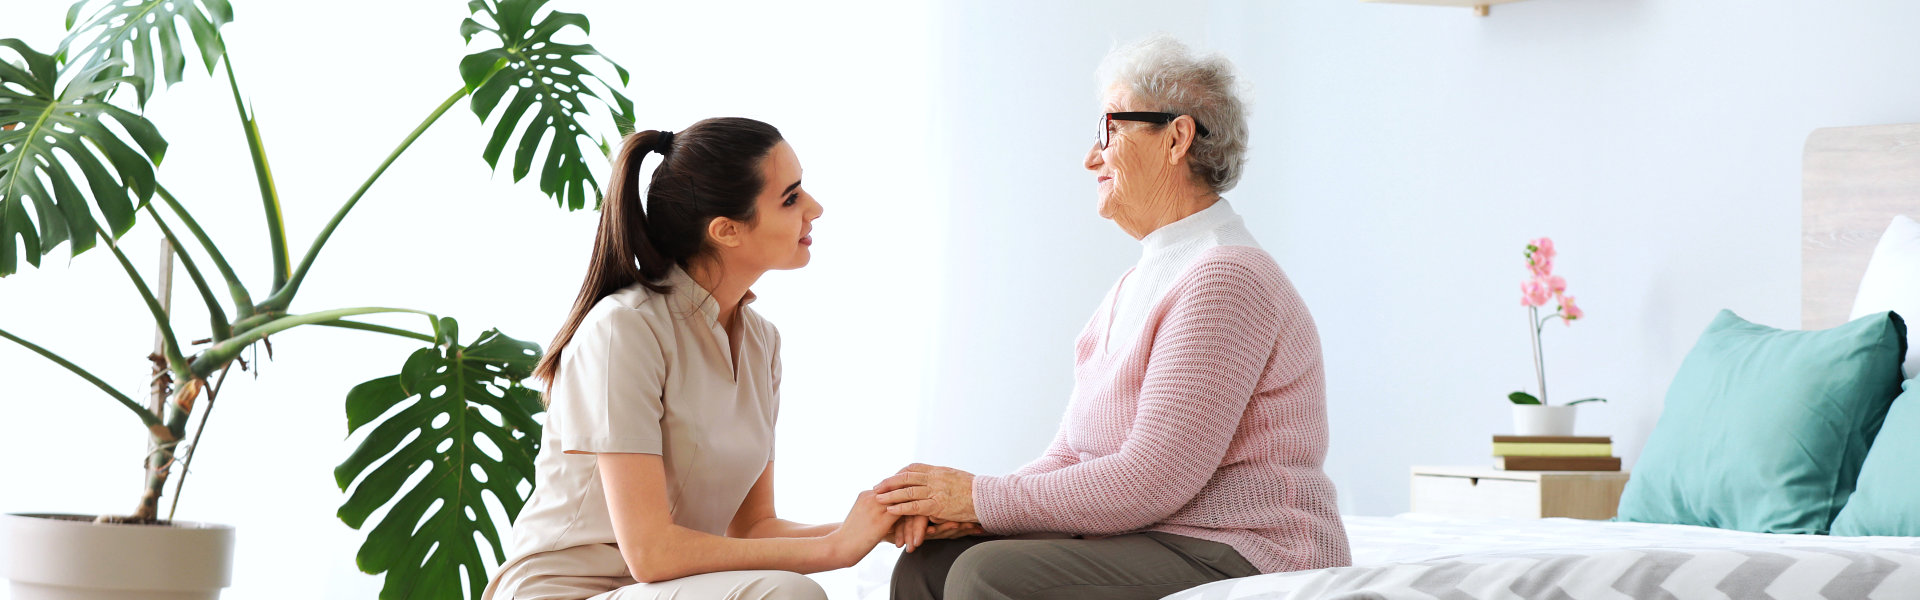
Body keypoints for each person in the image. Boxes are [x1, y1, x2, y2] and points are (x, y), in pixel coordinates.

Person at [877, 35, 1353, 600]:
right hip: (1152, 534)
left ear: (1177, 137)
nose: (1090, 156)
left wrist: (979, 498)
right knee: (927, 565)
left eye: (1110, 130)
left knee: (987, 578)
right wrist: (973, 514)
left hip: (1243, 548)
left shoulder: (1226, 278)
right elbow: (1073, 454)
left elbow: (1152, 478)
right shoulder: (1141, 281)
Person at [483, 117, 898, 600]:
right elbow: (652, 554)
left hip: (671, 588)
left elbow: (753, 528)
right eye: (790, 197)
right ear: (726, 230)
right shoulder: (623, 330)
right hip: (567, 592)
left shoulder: (762, 343)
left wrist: (873, 526)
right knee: (789, 594)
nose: (815, 208)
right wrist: (833, 551)